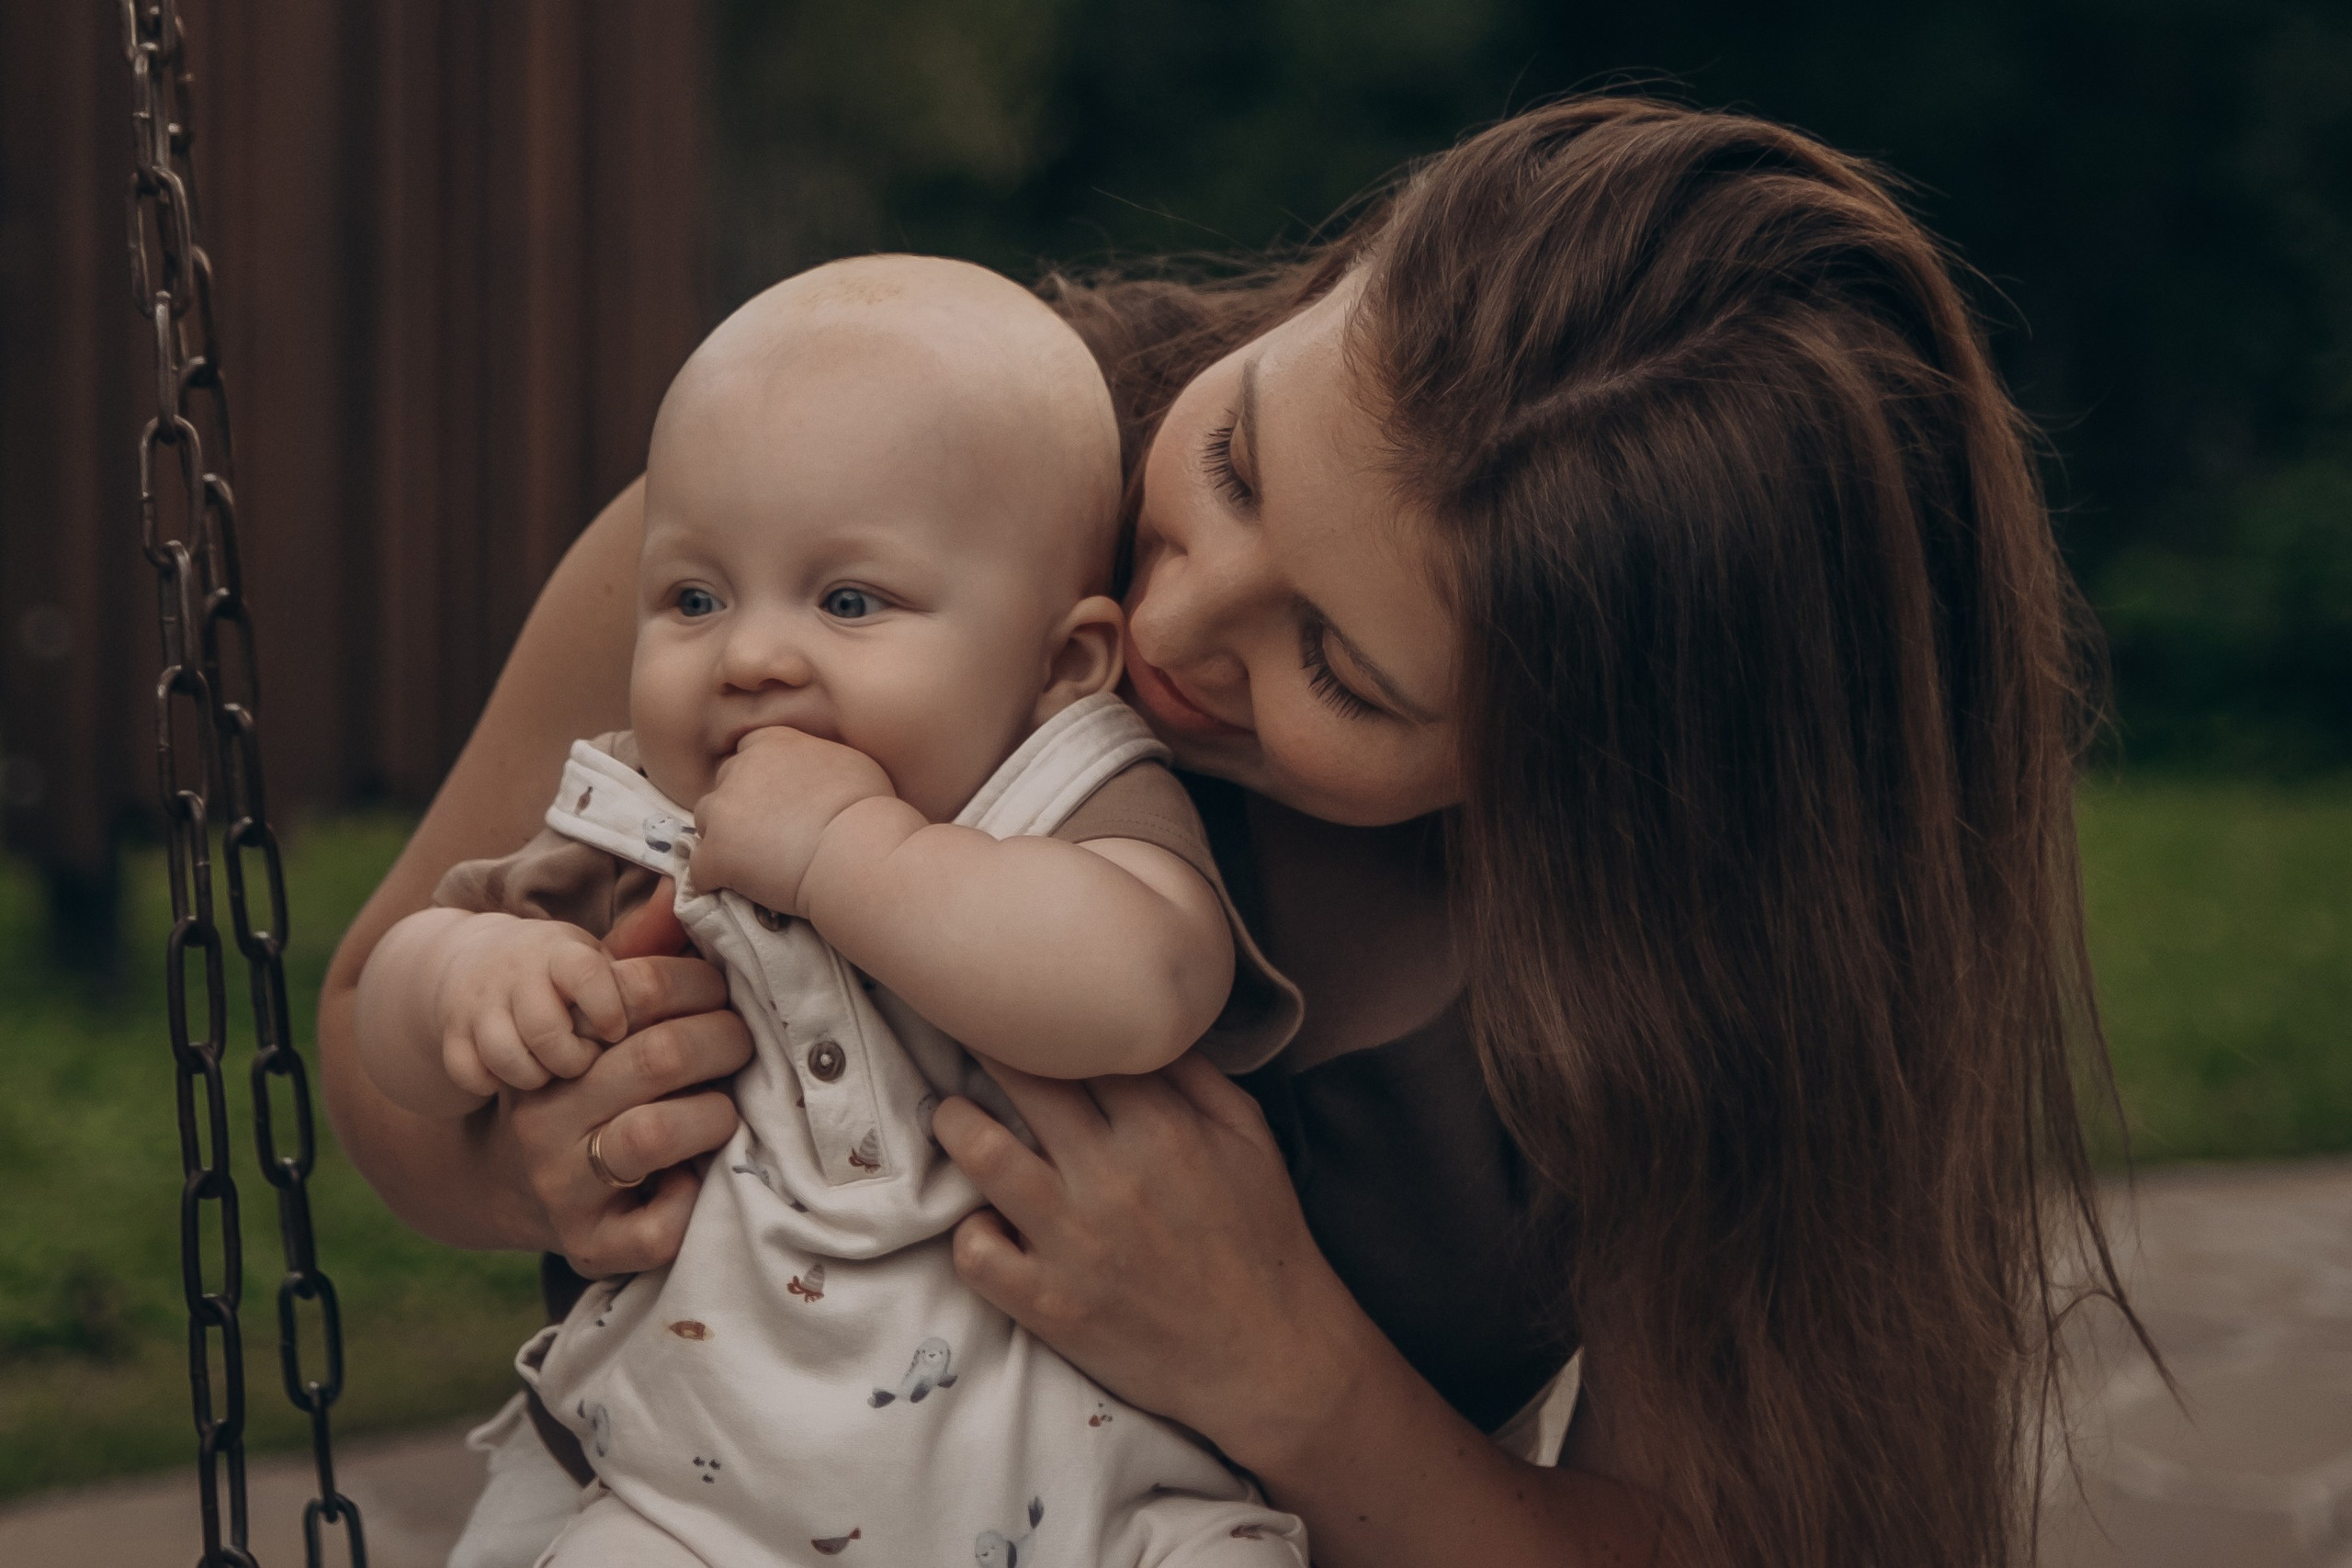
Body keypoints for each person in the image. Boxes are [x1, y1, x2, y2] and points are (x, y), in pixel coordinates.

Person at [322, 96, 2140, 1568]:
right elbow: (378, 1048)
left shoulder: (1715, 975)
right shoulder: (845, 500)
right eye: (1238, 462)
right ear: (1334, 280)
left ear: (1597, 787)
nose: (1171, 628)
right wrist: (525, 1158)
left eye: (1338, 667)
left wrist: (1287, 1368)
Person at [352, 254, 1311, 1566]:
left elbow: (1147, 990)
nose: (749, 656)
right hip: (698, 1503)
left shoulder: (1059, 800)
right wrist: (464, 981)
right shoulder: (645, 822)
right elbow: (391, 1022)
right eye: (694, 599)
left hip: (1100, 1507)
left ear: (1062, 664)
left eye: (850, 601)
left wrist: (850, 854)